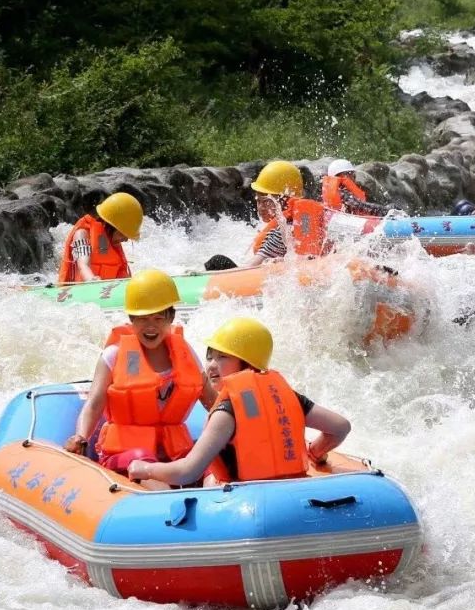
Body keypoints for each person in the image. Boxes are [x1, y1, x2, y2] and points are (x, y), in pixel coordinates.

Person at [128, 317, 351, 486]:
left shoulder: (226, 411)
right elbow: (340, 427)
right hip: (293, 489)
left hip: (245, 502)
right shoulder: (288, 396)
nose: (212, 365)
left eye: (223, 357)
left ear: (247, 363)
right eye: (210, 356)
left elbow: (188, 472)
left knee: (204, 478)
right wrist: (315, 453)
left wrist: (145, 469)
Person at [64, 269, 213, 473]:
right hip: (126, 455)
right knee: (142, 460)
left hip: (173, 453)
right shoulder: (113, 355)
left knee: (212, 462)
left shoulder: (185, 353)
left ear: (171, 318)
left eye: (158, 318)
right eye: (143, 319)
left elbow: (211, 400)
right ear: (132, 320)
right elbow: (94, 403)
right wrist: (81, 436)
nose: (150, 327)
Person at [246, 161, 326, 265]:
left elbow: (248, 267)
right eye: (258, 201)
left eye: (266, 201)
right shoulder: (303, 221)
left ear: (284, 199)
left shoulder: (283, 231)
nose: (260, 207)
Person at [57, 192, 144, 284]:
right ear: (110, 226)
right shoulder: (81, 234)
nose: (126, 239)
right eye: (123, 233)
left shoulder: (108, 244)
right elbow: (83, 265)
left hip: (106, 293)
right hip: (79, 292)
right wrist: (91, 279)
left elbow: (123, 278)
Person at [321, 159, 391, 217]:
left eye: (353, 174)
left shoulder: (328, 191)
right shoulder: (342, 193)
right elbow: (362, 207)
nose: (353, 176)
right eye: (350, 173)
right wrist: (387, 210)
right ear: (339, 176)